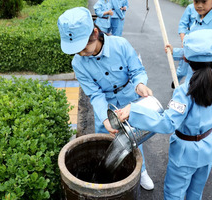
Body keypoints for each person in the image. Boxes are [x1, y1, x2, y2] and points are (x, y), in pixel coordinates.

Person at [117, 29, 212, 200]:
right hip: (208, 146)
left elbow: (168, 123)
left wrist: (134, 110)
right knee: (196, 192)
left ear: (185, 59)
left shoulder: (184, 91)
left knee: (174, 193)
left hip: (185, 152)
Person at [57, 7, 154, 190]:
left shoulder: (121, 45)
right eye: (76, 51)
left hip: (129, 101)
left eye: (84, 47)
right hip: (105, 106)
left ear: (95, 33)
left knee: (133, 138)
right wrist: (104, 118)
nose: (81, 53)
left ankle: (141, 171)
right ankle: (108, 178)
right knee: (106, 141)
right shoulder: (78, 63)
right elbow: (95, 94)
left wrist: (139, 84)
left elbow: (137, 71)